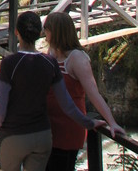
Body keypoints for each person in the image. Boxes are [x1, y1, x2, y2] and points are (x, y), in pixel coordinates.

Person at [0, 11, 104, 171]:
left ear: (17, 32)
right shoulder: (50, 62)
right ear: (39, 34)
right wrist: (89, 123)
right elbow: (67, 104)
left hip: (14, 135)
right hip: (42, 136)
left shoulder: (9, 62)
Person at [44, 12, 125, 171]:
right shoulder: (52, 53)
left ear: (56, 31)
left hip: (68, 129)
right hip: (49, 128)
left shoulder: (77, 58)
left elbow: (93, 93)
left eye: (47, 29)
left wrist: (112, 122)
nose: (44, 33)